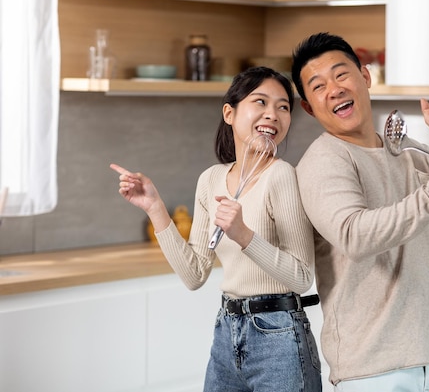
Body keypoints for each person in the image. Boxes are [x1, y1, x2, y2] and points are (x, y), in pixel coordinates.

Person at [291, 32, 429, 391]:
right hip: (373, 370)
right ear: (308, 107)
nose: (334, 89)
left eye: (341, 74)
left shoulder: (408, 151)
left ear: (365, 77)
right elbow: (355, 236)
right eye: (318, 86)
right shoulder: (323, 162)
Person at [110, 66, 322, 392]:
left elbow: (302, 275)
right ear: (229, 112)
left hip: (279, 334)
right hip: (227, 330)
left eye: (283, 107)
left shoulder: (281, 176)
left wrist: (243, 235)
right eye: (261, 102)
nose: (273, 114)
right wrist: (155, 207)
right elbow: (195, 273)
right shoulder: (210, 179)